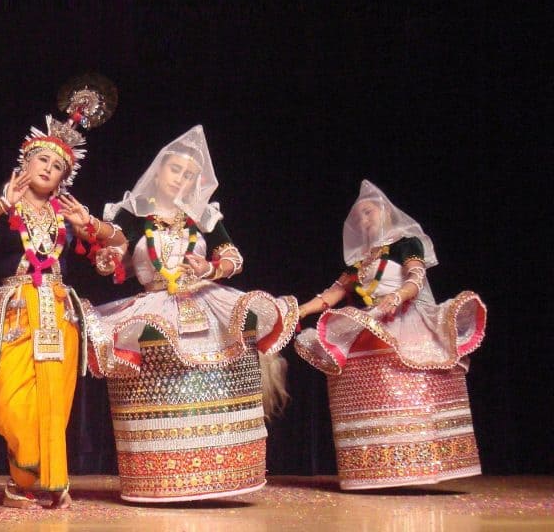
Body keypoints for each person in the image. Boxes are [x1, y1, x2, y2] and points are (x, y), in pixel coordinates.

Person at [86, 125, 298, 502]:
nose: (181, 179)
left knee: (213, 378)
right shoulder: (134, 214)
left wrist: (210, 269)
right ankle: (164, 474)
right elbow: (114, 255)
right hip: (154, 305)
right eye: (175, 170)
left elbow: (233, 257)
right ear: (158, 170)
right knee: (159, 380)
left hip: (205, 299)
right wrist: (106, 259)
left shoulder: (203, 217)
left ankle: (220, 472)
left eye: (189, 174)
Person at [0, 80, 119, 509]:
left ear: (65, 176)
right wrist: (1, 204)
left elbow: (118, 245)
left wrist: (92, 225)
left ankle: (42, 484)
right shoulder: (5, 205)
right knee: (9, 399)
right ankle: (27, 477)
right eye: (41, 159)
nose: (48, 168)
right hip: (14, 311)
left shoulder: (67, 215)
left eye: (57, 166)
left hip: (58, 311)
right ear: (25, 162)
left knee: (54, 400)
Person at [294, 179, 486, 490]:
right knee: (362, 384)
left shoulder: (405, 243)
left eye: (369, 212)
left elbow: (415, 278)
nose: (364, 221)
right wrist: (298, 311)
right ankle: (372, 468)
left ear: (385, 213)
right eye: (359, 217)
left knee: (407, 385)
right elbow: (334, 293)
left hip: (405, 319)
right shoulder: (361, 262)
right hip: (368, 324)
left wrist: (395, 298)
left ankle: (418, 464)